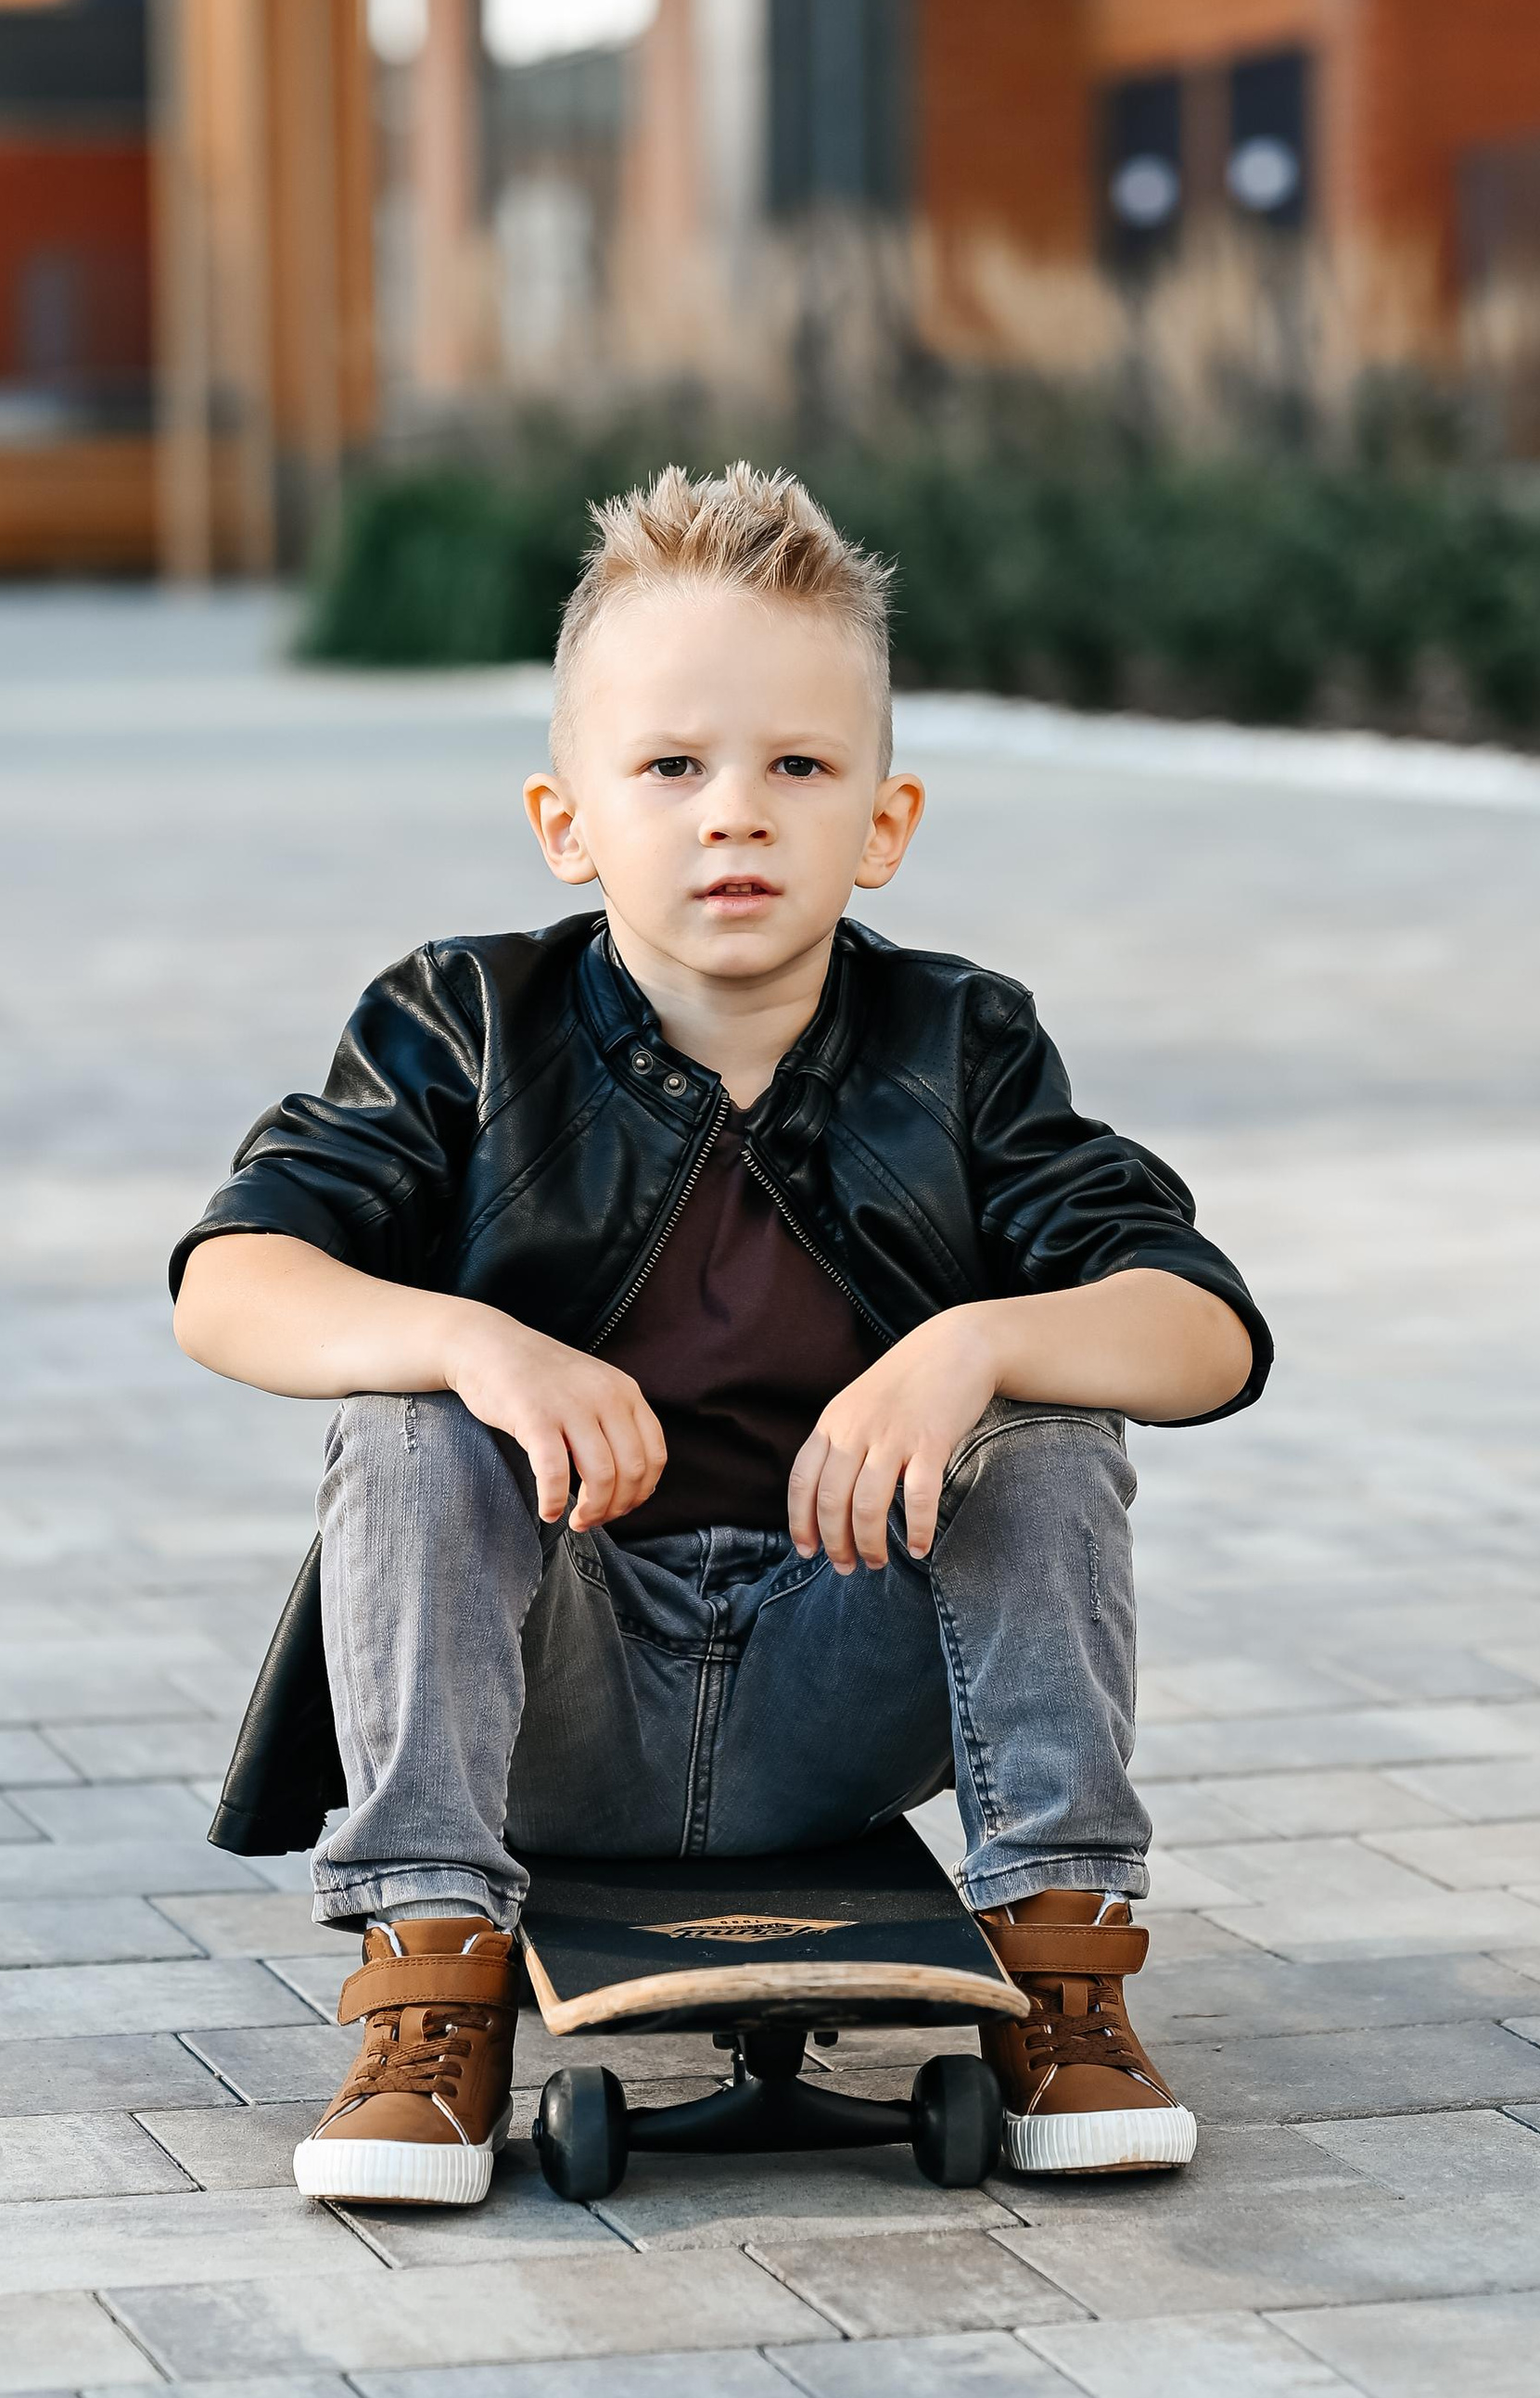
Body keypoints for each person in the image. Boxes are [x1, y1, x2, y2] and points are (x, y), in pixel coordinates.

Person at [172, 464, 1270, 2205]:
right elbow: (230, 1281)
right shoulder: (464, 1023)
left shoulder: (959, 1044)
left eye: (797, 768)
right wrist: (475, 1342)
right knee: (403, 1417)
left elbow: (1199, 1327)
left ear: (884, 823)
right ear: (567, 819)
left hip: (849, 1677)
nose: (733, 816)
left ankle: (1063, 1973)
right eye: (672, 767)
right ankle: (430, 1991)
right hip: (561, 1685)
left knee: (1051, 1423)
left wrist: (973, 1343)